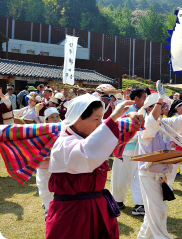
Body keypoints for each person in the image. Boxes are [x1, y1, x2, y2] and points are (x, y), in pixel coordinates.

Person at [46, 95, 135, 238]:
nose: (100, 124)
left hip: (98, 208)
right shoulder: (64, 142)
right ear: (78, 117)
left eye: (102, 119)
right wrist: (112, 118)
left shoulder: (86, 138)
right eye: (96, 119)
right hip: (72, 213)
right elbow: (86, 154)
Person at [137, 94, 182, 239]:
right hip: (149, 174)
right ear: (150, 109)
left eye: (165, 106)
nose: (165, 109)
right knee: (159, 210)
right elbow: (151, 125)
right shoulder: (145, 125)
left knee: (153, 211)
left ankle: (143, 237)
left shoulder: (164, 123)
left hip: (162, 175)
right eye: (162, 106)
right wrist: (159, 100)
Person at [111, 85, 146, 214]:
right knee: (121, 176)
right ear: (136, 98)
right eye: (143, 97)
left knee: (139, 177)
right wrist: (138, 134)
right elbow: (119, 130)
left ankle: (139, 204)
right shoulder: (125, 110)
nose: (145, 100)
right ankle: (118, 200)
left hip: (141, 150)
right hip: (124, 149)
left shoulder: (145, 111)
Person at [36, 107, 62, 218]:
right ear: (46, 120)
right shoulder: (40, 131)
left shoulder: (64, 131)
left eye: (57, 116)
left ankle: (56, 206)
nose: (55, 119)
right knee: (43, 186)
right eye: (52, 117)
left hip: (59, 165)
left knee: (58, 187)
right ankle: (48, 208)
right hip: (44, 165)